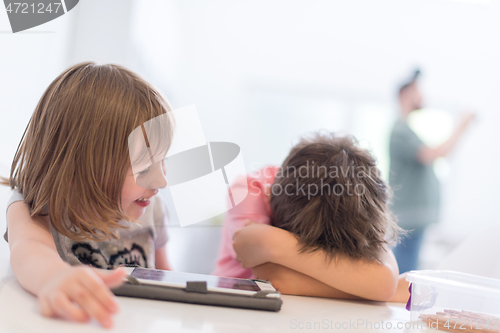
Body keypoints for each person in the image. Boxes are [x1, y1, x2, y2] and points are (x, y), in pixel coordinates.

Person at [2, 62, 175, 328]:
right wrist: (53, 278)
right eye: (145, 166)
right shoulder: (37, 207)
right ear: (76, 168)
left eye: (163, 161)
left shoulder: (152, 207)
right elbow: (28, 251)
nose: (161, 181)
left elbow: (165, 277)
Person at [213, 133, 403, 301]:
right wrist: (370, 291)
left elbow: (383, 280)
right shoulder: (248, 191)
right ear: (269, 196)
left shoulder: (356, 207)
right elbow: (274, 278)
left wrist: (272, 241)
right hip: (234, 307)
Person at [389, 70, 475, 273]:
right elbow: (434, 154)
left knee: (407, 270)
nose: (422, 96)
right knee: (404, 274)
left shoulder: (407, 130)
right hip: (408, 218)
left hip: (414, 218)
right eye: (417, 91)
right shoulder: (400, 131)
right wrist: (461, 126)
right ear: (405, 95)